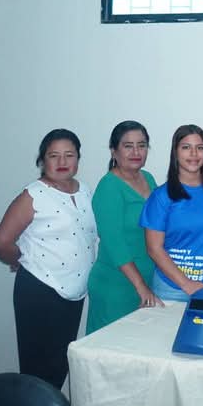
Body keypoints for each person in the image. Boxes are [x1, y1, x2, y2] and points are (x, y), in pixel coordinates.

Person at [0, 128, 96, 388]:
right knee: (37, 373)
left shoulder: (84, 191)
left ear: (78, 159)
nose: (62, 162)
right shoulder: (33, 195)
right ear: (42, 160)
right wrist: (20, 258)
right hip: (40, 291)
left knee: (59, 367)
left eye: (69, 155)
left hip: (73, 293)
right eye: (54, 155)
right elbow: (1, 242)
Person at [85, 120, 163, 334]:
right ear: (114, 151)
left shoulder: (148, 178)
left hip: (147, 278)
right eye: (128, 146)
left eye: (142, 145)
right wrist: (141, 287)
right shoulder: (109, 186)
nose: (136, 152)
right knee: (108, 347)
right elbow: (114, 243)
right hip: (116, 284)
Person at [142, 124, 203, 302]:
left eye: (200, 148)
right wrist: (187, 284)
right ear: (175, 153)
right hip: (172, 289)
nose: (194, 154)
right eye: (186, 147)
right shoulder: (161, 196)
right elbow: (154, 248)